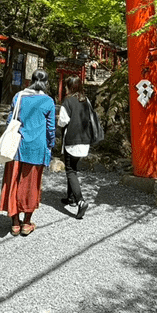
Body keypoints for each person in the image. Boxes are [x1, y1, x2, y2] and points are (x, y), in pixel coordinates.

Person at [0, 68, 55, 236]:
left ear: (30, 80)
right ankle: (27, 223)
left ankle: (15, 223)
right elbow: (50, 129)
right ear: (45, 83)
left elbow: (10, 120)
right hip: (37, 148)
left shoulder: (19, 96)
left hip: (16, 147)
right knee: (31, 185)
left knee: (13, 182)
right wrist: (50, 145)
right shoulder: (48, 101)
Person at [58, 75, 92, 220]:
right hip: (85, 139)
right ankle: (70, 197)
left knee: (70, 170)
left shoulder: (68, 102)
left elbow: (62, 121)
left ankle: (80, 201)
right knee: (74, 167)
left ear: (70, 87)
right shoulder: (86, 100)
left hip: (72, 140)